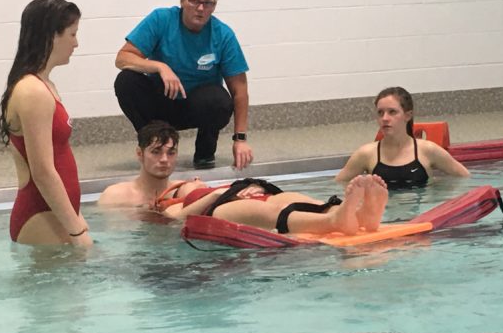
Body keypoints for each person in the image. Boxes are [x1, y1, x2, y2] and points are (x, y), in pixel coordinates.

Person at [114, 0, 253, 171]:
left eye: (207, 3)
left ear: (214, 6)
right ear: (182, 1)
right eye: (194, 1)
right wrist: (159, 66)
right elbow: (122, 58)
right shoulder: (161, 19)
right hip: (161, 102)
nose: (200, 8)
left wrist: (240, 139)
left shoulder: (223, 35)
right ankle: (154, 145)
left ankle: (205, 152)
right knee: (126, 80)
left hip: (196, 106)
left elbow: (239, 90)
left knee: (219, 100)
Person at [0, 0, 92, 247]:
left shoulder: (44, 85)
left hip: (55, 213)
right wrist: (76, 232)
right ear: (52, 35)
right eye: (72, 35)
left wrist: (76, 217)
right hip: (39, 215)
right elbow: (42, 171)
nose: (76, 43)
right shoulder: (33, 91)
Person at [162, 174, 388, 236]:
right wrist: (214, 195)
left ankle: (357, 214)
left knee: (291, 199)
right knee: (269, 212)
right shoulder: (174, 204)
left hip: (248, 194)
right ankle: (333, 221)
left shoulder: (220, 185)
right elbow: (179, 220)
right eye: (184, 183)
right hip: (216, 209)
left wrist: (255, 187)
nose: (193, 180)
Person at [335, 86, 469, 189]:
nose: (385, 118)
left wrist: (440, 191)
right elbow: (337, 185)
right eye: (380, 113)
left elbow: (465, 179)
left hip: (422, 218)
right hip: (384, 219)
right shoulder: (366, 153)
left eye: (392, 112)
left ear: (408, 115)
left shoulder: (427, 150)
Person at [98, 121, 188, 207]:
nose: (164, 159)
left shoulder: (185, 192)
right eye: (156, 152)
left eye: (171, 153)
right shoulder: (115, 197)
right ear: (140, 154)